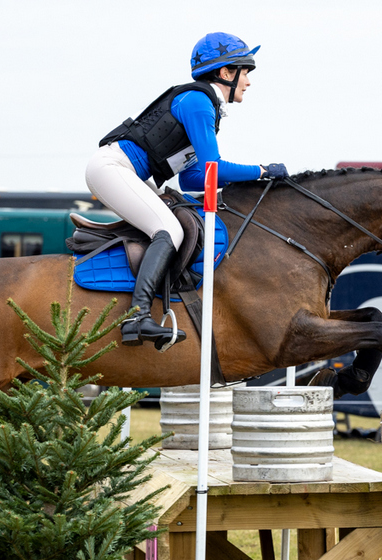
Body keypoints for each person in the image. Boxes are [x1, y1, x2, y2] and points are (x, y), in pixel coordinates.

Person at [87, 31, 289, 348]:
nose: (249, 81)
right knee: (169, 228)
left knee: (176, 224)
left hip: (124, 173)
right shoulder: (198, 102)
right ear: (226, 73)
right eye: (246, 71)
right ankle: (136, 317)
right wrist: (261, 171)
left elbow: (193, 179)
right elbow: (214, 168)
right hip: (113, 169)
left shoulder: (204, 106)